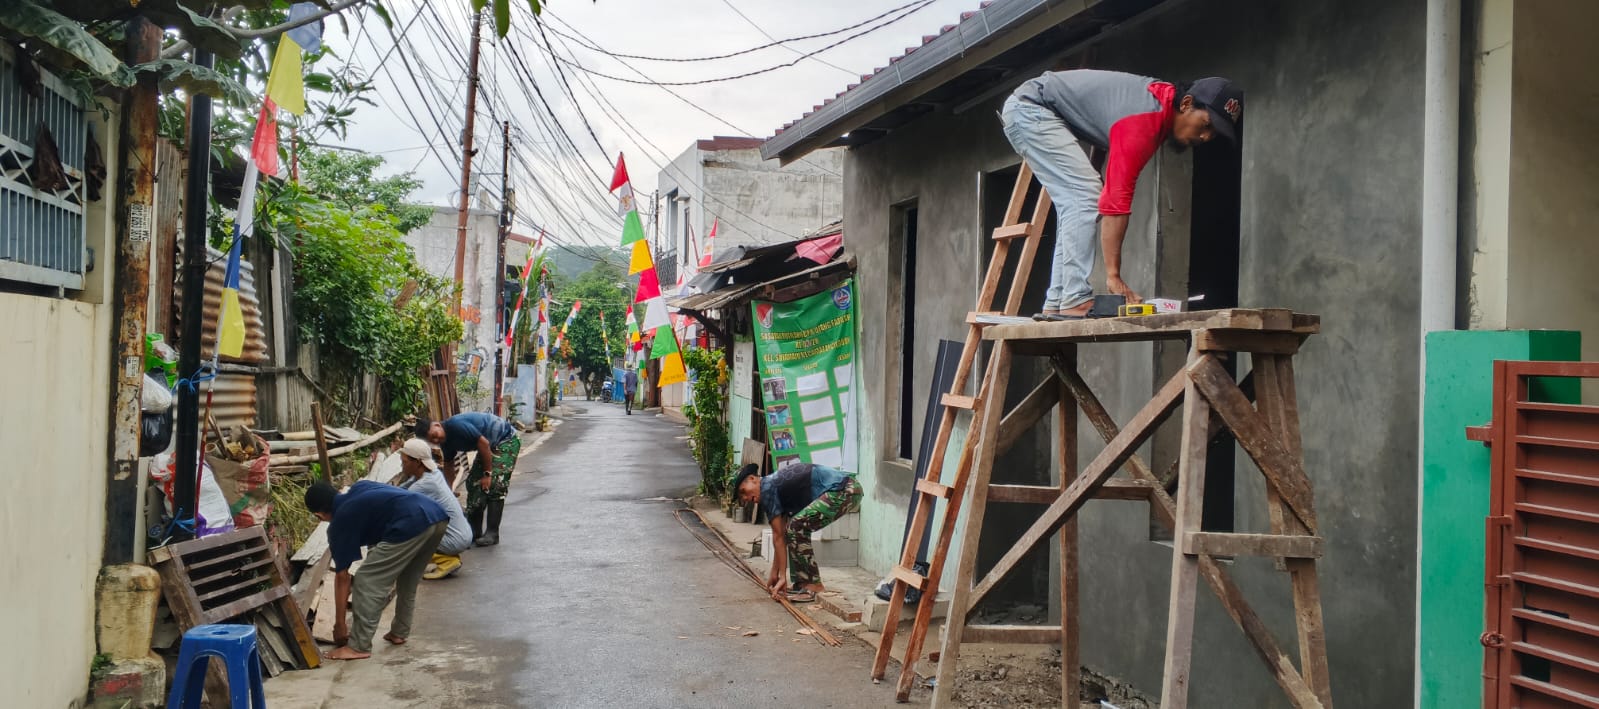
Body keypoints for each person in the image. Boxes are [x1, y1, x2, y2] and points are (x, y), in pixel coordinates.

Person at [1001, 69, 1242, 320]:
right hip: (1031, 111)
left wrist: (1094, 170)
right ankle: (1074, 298)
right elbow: (1116, 203)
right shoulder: (1145, 121)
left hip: (1031, 110)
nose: (1205, 136)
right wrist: (1113, 276)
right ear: (1187, 103)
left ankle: (1059, 300)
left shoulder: (1158, 103)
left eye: (1214, 133)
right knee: (1086, 198)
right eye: (1206, 125)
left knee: (1079, 201)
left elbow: (1103, 125)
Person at [303, 480, 447, 660]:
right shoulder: (360, 488)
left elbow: (342, 576)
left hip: (411, 523)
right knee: (408, 579)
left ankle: (358, 646)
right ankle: (399, 632)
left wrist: (339, 624)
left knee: (366, 579)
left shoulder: (340, 521)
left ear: (319, 515)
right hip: (437, 515)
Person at [733, 462, 862, 603]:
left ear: (753, 479)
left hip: (844, 489)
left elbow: (778, 537)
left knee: (796, 527)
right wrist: (775, 573)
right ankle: (802, 583)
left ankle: (813, 585)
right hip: (846, 489)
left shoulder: (767, 488)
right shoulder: (773, 487)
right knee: (793, 528)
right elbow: (780, 537)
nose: (745, 498)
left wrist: (782, 577)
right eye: (742, 498)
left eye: (743, 491)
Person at [417, 412, 520, 547]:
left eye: (435, 436)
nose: (436, 440)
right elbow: (449, 465)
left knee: (495, 483)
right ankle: (474, 531)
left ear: (437, 425)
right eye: (432, 441)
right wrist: (447, 490)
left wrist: (487, 474)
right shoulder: (445, 442)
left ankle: (492, 533)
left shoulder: (455, 426)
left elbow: (483, 443)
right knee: (473, 483)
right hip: (489, 445)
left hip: (506, 439)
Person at [395, 438, 472, 579]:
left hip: (454, 539)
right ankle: (443, 557)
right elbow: (400, 490)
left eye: (404, 462)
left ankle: (448, 560)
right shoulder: (433, 472)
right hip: (461, 534)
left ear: (417, 462)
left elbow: (398, 503)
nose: (401, 466)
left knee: (406, 533)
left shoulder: (424, 485)